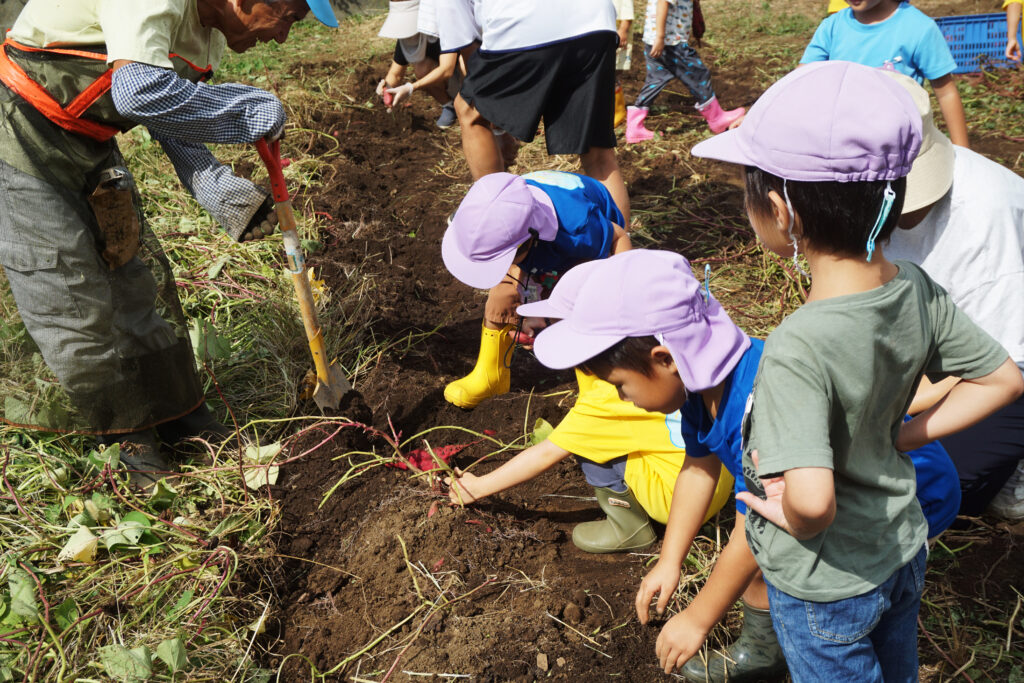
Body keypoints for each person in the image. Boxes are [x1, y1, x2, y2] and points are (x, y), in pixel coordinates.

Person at [690, 61, 1023, 680]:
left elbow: (813, 503)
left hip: (827, 581)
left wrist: (785, 512)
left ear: (780, 211)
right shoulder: (917, 287)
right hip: (901, 547)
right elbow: (1004, 379)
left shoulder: (796, 346)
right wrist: (905, 437)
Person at [528, 249, 963, 681]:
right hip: (833, 487)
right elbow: (699, 468)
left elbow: (755, 534)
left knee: (836, 599)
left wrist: (698, 618)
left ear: (665, 359)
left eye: (620, 386)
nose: (623, 399)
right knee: (775, 554)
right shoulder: (704, 381)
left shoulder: (755, 409)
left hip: (904, 491)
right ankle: (765, 651)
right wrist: (670, 559)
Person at [0, 0, 339, 486]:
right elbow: (139, 91)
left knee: (131, 275)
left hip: (89, 138)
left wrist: (214, 185)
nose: (283, 37)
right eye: (288, 17)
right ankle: (122, 434)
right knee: (67, 287)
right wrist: (243, 108)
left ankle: (175, 411)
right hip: (20, 127)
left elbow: (167, 111)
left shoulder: (207, 33)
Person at [446, 260, 735, 553]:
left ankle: (628, 526)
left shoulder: (608, 400)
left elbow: (546, 453)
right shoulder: (659, 364)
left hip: (676, 501)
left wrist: (477, 488)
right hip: (716, 482)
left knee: (585, 445)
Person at [883, 70, 1024, 520]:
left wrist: (895, 433)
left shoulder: (985, 223)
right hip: (941, 337)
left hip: (1010, 355)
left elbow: (1001, 370)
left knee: (941, 484)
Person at [440, 170, 630, 410]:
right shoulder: (481, 213)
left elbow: (618, 238)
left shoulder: (577, 229)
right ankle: (491, 374)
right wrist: (526, 303)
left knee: (581, 303)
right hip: (530, 239)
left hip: (586, 251)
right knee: (502, 293)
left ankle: (596, 387)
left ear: (528, 242)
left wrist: (617, 297)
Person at [435, 0, 631, 224]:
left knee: (469, 111)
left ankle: (498, 215)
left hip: (523, 21)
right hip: (595, 20)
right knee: (598, 152)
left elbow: (467, 53)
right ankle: (621, 251)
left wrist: (493, 115)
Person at [800, 0, 969, 148]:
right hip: (840, 142)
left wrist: (963, 152)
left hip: (898, 147)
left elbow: (946, 93)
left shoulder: (919, 29)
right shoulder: (833, 26)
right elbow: (801, 80)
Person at [625, 0, 744, 144]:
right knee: (698, 74)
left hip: (653, 40)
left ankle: (634, 126)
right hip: (670, 43)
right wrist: (660, 37)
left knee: (655, 80)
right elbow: (663, 2)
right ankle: (716, 118)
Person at [374, 0, 460, 129]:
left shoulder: (442, 28)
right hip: (449, 78)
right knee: (422, 68)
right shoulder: (409, 38)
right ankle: (449, 105)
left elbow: (447, 69)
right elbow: (395, 74)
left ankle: (469, 102)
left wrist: (411, 87)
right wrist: (387, 87)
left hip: (465, 74)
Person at [612, 0, 634, 128]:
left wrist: (623, 30)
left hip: (617, 37)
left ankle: (618, 112)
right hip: (602, 38)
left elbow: (627, 12)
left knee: (612, 75)